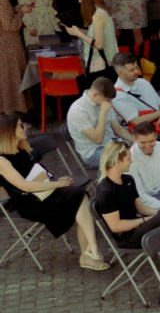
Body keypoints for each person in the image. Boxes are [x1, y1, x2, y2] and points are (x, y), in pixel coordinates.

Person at [0, 114, 110, 270]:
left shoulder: (21, 148)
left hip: (44, 191)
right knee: (78, 196)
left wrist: (54, 181)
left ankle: (90, 251)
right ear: (9, 131)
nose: (25, 128)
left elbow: (37, 174)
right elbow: (25, 186)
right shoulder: (2, 161)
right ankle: (90, 252)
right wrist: (57, 184)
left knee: (79, 194)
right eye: (20, 125)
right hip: (29, 203)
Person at [67, 77, 132, 169]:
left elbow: (118, 129)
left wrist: (135, 140)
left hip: (112, 143)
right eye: (107, 100)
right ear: (95, 95)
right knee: (126, 159)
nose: (109, 103)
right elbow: (97, 139)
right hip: (93, 152)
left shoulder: (104, 102)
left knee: (139, 150)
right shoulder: (78, 110)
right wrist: (102, 113)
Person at [111, 52, 160, 136]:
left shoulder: (143, 82)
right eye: (132, 70)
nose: (137, 72)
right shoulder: (118, 95)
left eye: (136, 67)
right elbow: (137, 121)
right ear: (119, 72)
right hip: (147, 134)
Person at [65, 0, 118, 74]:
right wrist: (79, 31)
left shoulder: (98, 15)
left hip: (101, 62)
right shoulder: (100, 12)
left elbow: (99, 45)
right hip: (103, 60)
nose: (79, 1)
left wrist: (78, 33)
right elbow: (96, 35)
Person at [0, 0, 30, 114]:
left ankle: (7, 110)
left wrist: (17, 9)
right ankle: (16, 110)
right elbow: (10, 25)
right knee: (13, 78)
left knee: (5, 80)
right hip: (9, 45)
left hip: (3, 45)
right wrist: (21, 13)